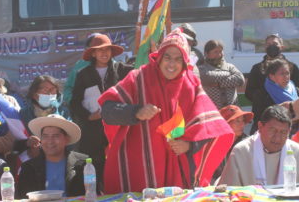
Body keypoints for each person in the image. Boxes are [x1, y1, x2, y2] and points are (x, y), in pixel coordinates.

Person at [99, 29, 234, 194]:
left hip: (177, 173)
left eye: (178, 59)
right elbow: (106, 110)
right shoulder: (137, 78)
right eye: (167, 57)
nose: (172, 64)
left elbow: (212, 128)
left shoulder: (191, 85)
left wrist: (190, 145)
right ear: (159, 57)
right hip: (139, 169)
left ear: (185, 62)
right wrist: (135, 112)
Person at [70, 33, 133, 189]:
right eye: (99, 50)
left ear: (112, 52)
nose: (104, 53)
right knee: (95, 168)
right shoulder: (83, 74)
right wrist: (89, 116)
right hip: (93, 132)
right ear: (93, 53)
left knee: (121, 164)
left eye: (107, 49)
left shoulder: (124, 70)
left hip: (120, 129)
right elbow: (74, 103)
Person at [219, 105, 299, 186]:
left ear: (289, 131)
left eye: (283, 132)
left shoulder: (296, 151)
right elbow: (229, 193)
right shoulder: (242, 151)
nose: (277, 138)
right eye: (272, 130)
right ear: (260, 126)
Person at [17, 114, 88, 198]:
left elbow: (92, 194)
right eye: (45, 136)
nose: (50, 141)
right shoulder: (28, 168)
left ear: (66, 139)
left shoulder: (83, 164)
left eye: (56, 136)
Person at [245, 34, 299, 108]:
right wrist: (264, 100)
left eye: (275, 44)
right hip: (264, 113)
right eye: (268, 44)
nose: (271, 46)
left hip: (290, 112)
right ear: (265, 47)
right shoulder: (257, 68)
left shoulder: (292, 67)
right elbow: (249, 92)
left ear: (282, 47)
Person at [250, 59, 299, 134]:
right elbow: (259, 118)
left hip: (295, 132)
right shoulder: (262, 94)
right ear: (272, 76)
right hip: (271, 134)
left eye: (287, 73)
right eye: (282, 74)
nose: (286, 76)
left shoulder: (296, 90)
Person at [198, 40, 245, 109]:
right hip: (213, 111)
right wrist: (228, 74)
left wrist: (219, 84)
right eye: (215, 52)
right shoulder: (201, 68)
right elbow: (207, 77)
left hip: (232, 111)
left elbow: (240, 80)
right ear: (206, 53)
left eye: (220, 51)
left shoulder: (230, 66)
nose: (219, 54)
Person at [212, 105, 253, 182]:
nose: (242, 125)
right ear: (225, 123)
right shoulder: (213, 145)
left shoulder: (248, 143)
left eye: (243, 121)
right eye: (237, 121)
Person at [63, 33, 102, 106]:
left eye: (102, 47)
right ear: (88, 49)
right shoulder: (80, 66)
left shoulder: (116, 67)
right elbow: (68, 88)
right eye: (94, 47)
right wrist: (76, 103)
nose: (100, 51)